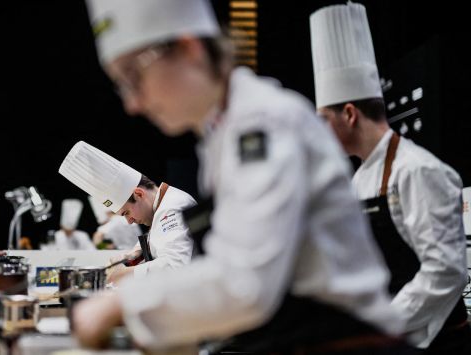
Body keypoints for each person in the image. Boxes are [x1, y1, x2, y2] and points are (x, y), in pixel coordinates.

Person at [71, 0, 412, 353]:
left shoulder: (263, 124)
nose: (133, 104)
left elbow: (246, 285)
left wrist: (122, 304)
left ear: (188, 49)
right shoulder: (222, 134)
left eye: (133, 76)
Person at [310, 3, 471, 353]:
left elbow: (446, 272)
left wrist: (379, 322)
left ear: (349, 114)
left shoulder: (418, 170)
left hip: (433, 343)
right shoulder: (360, 177)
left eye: (324, 119)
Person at [59, 141, 196, 283]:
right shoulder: (160, 209)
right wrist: (135, 252)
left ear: (139, 194)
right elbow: (161, 240)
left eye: (126, 213)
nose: (129, 221)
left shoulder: (173, 207)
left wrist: (122, 274)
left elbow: (175, 266)